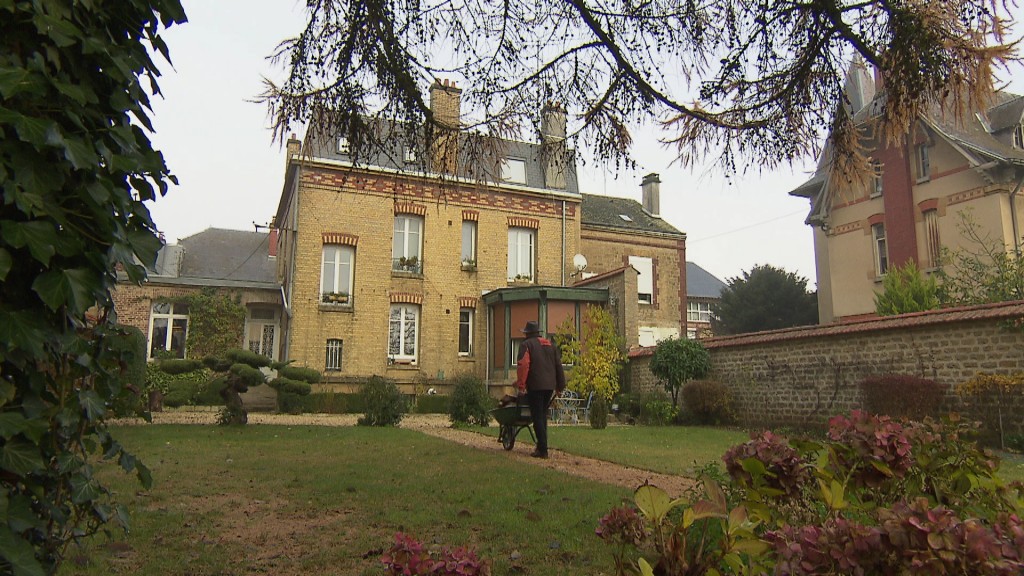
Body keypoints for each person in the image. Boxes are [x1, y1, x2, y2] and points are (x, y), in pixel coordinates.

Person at [515, 320, 566, 458]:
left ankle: (542, 449)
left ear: (527, 334)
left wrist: (521, 385)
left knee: (537, 416)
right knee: (542, 415)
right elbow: (558, 366)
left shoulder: (526, 345)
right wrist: (560, 386)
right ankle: (542, 445)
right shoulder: (550, 345)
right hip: (549, 386)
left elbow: (523, 366)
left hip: (536, 385)